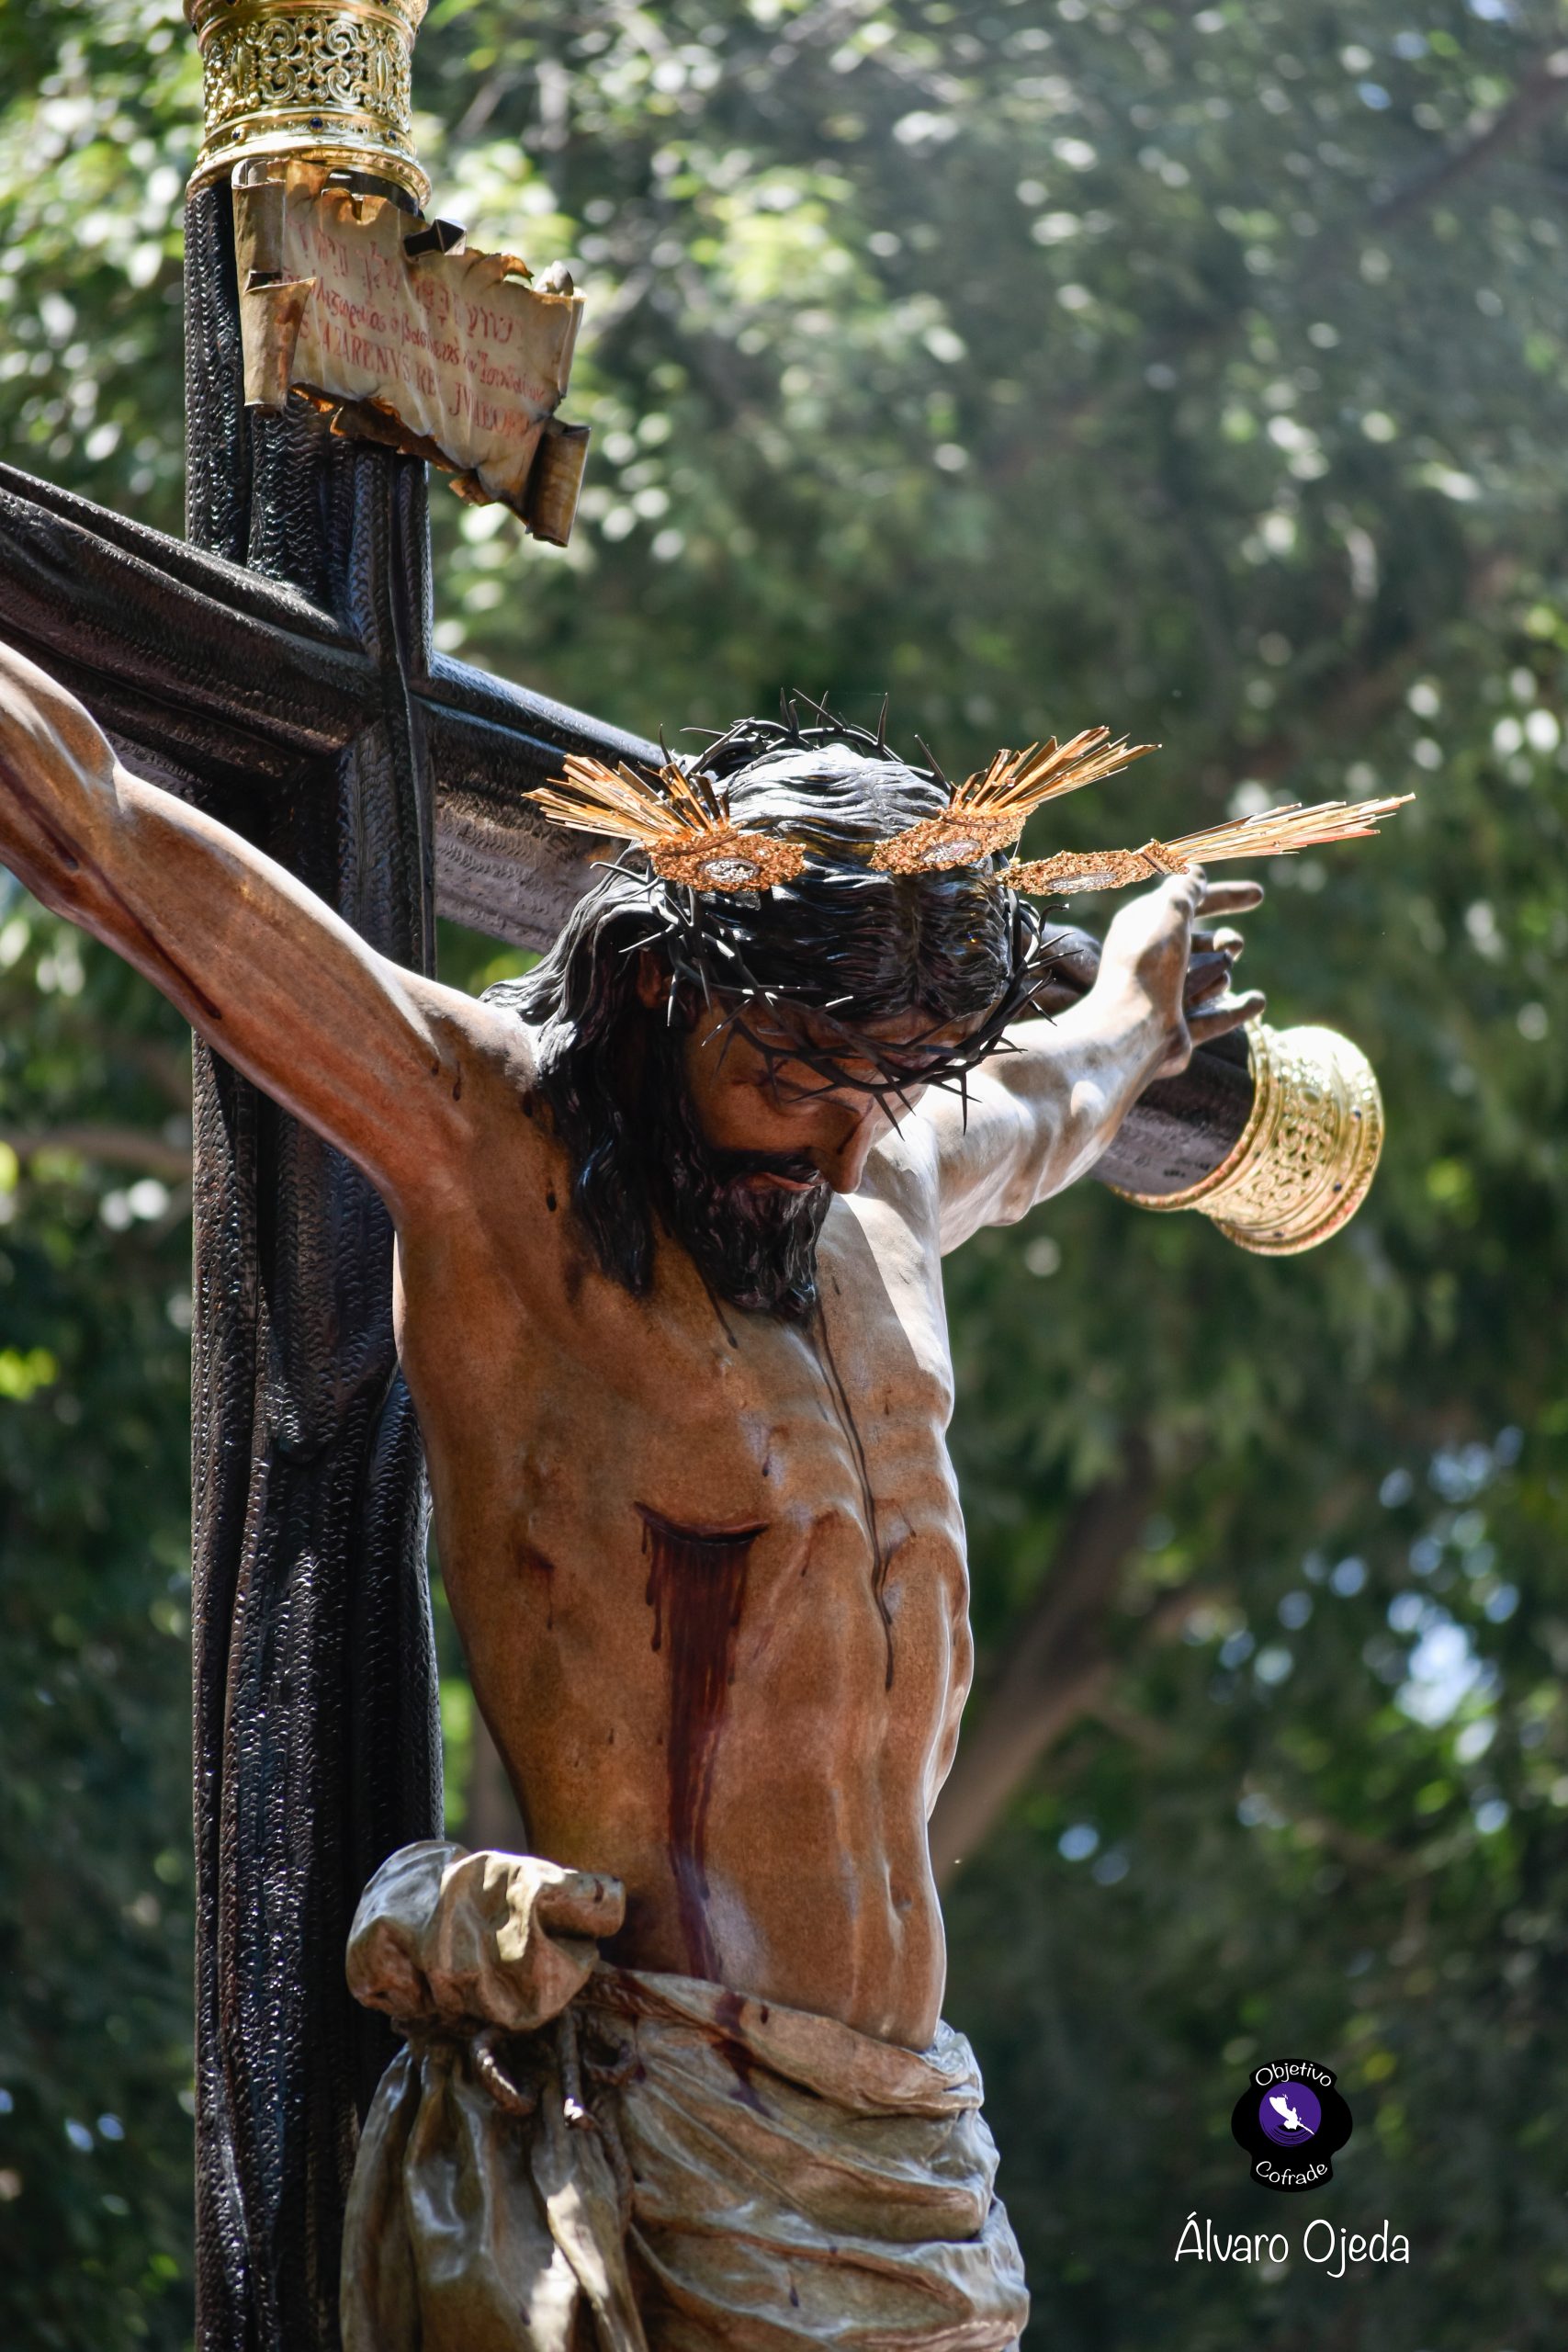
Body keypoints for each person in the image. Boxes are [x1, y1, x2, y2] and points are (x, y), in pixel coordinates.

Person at [0, 651, 1263, 2352]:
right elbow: (104, 838)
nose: (830, 1143)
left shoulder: (874, 1180)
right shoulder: (490, 1150)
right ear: (669, 989)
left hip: (917, 2162)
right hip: (665, 2146)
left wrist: (1134, 1000)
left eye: (874, 1085)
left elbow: (1049, 1099)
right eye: (795, 1078)